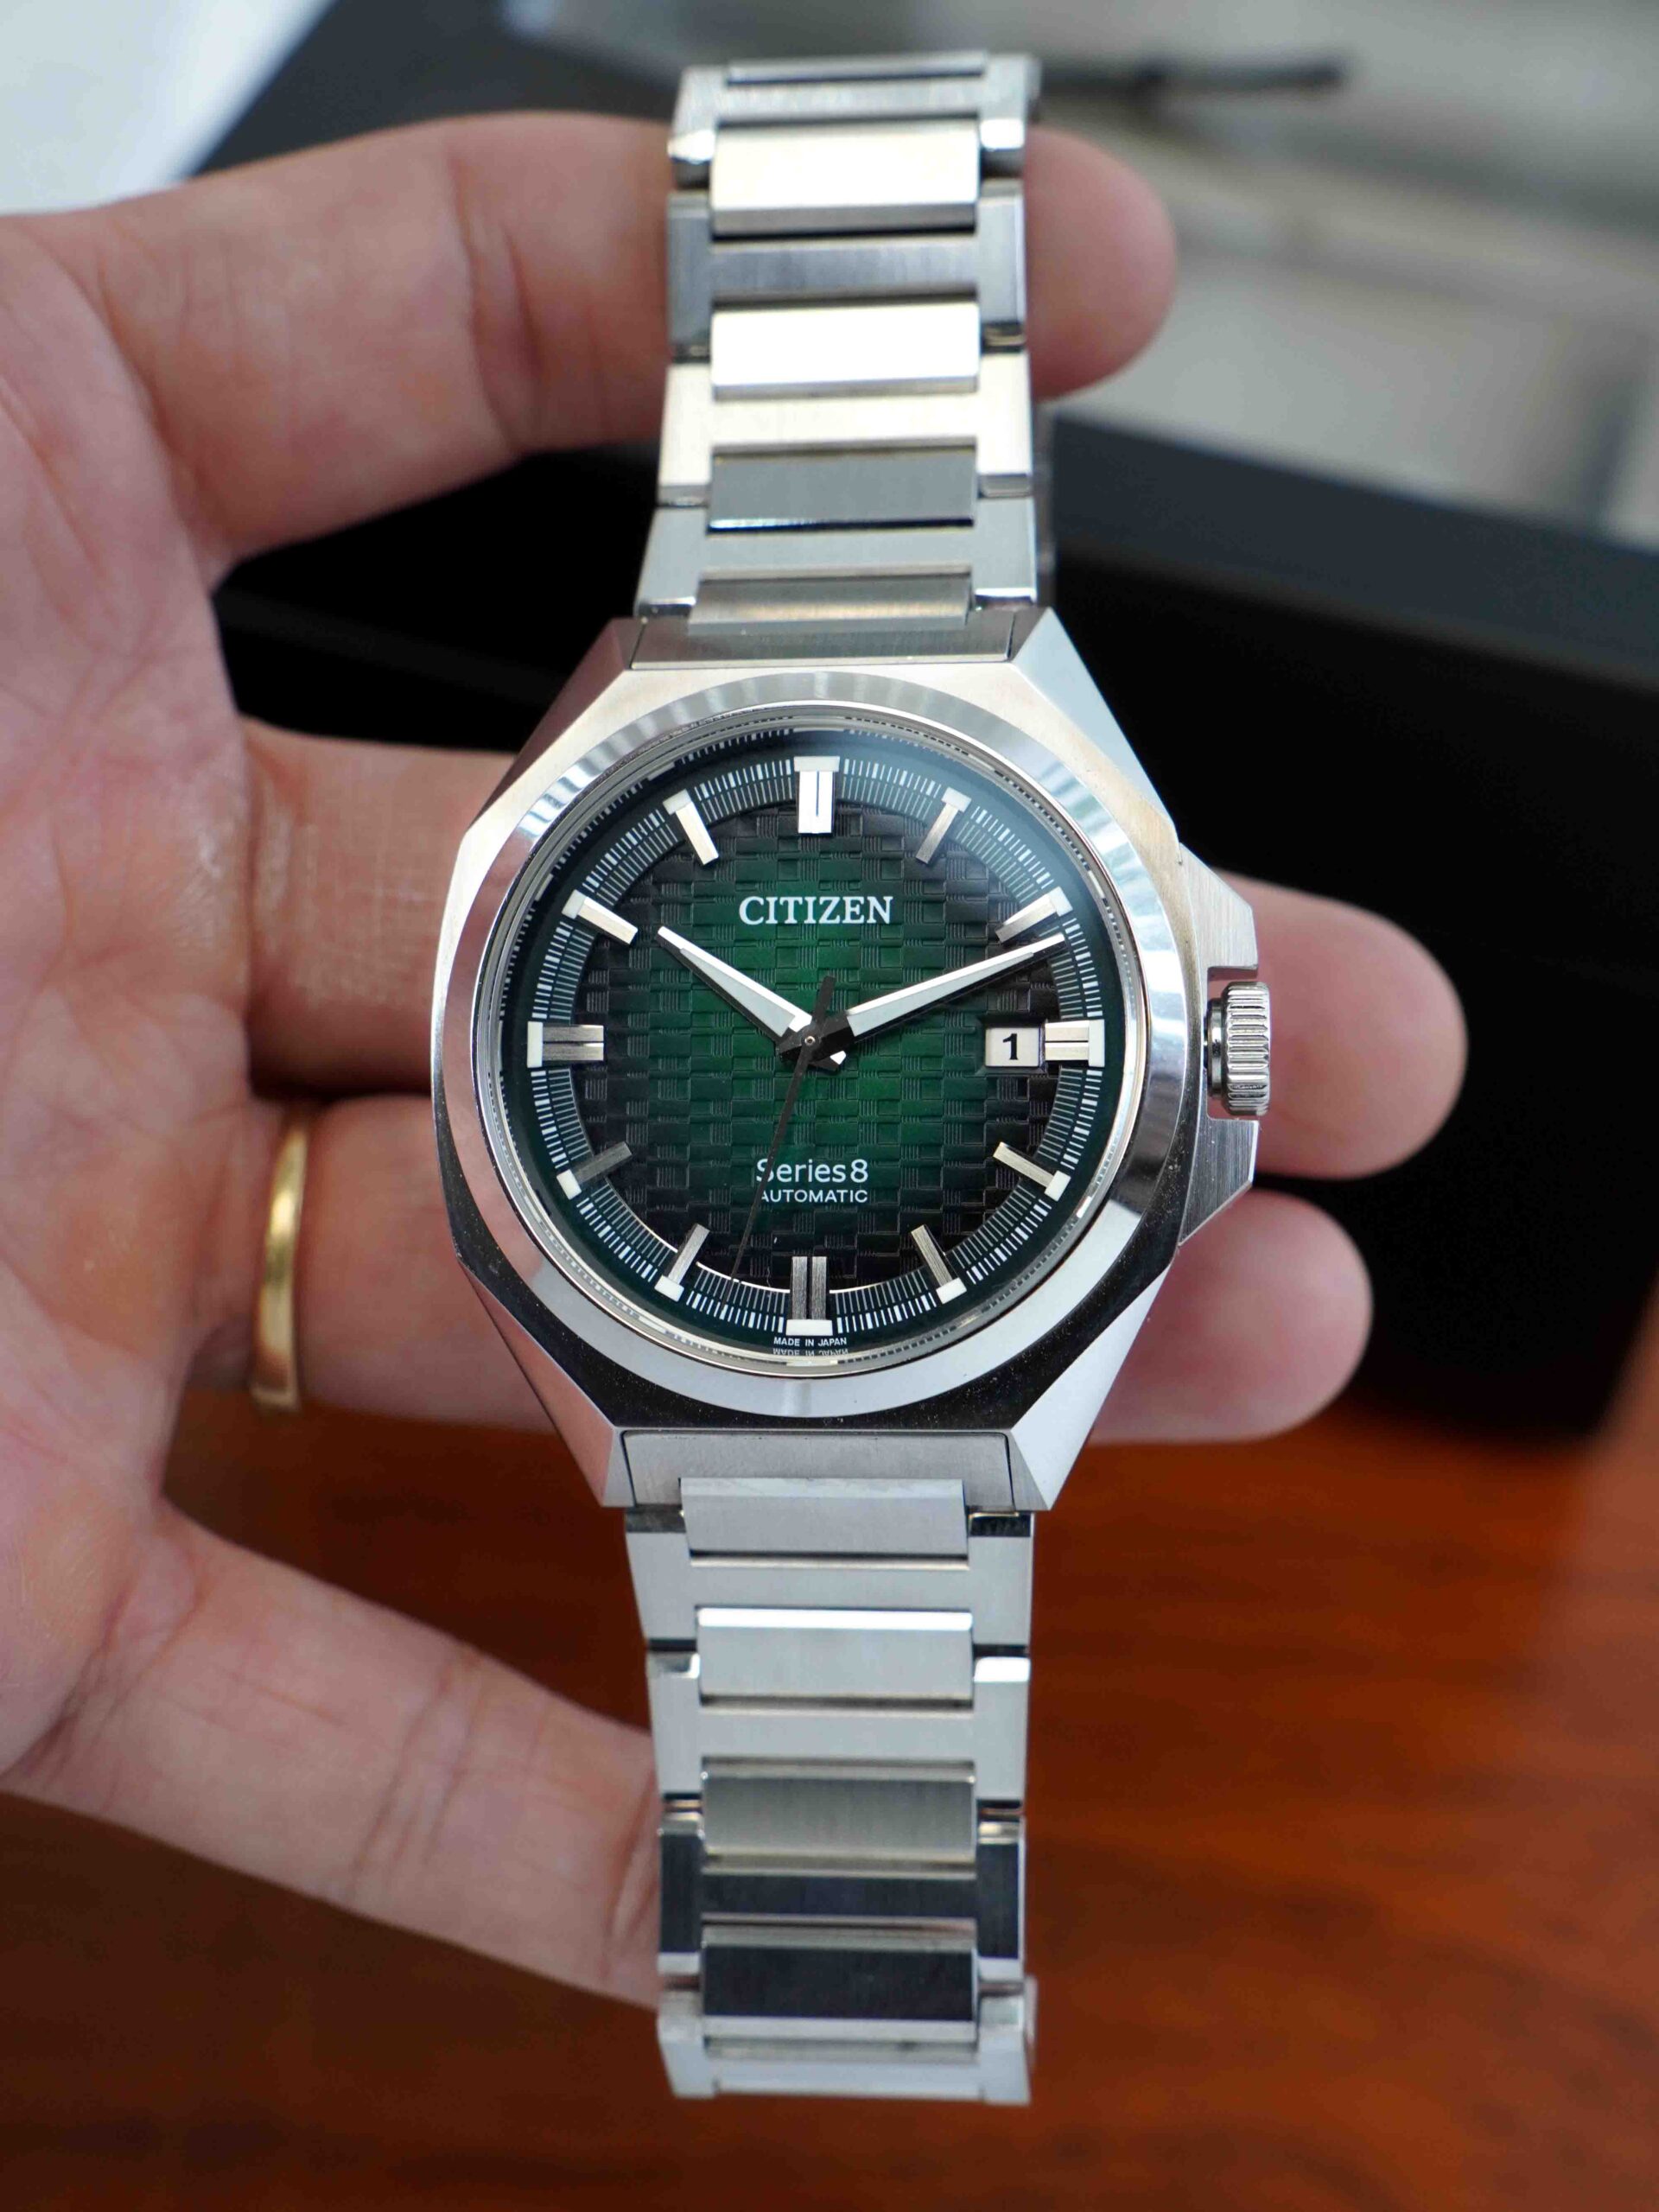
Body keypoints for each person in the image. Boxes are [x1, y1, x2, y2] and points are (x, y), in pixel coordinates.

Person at [0, 114, 1463, 2009]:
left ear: (1215, 1046)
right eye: (810, 1025)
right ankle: (839, 1964)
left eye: (837, 1027)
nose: (824, 1035)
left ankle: (849, 1965)